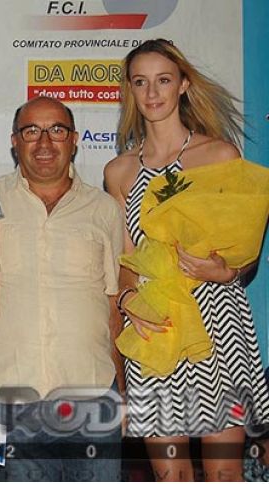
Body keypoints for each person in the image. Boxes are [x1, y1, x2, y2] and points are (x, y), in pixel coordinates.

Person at [104, 38, 269, 481]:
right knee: (170, 475)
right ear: (130, 90)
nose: (152, 92)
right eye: (141, 82)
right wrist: (127, 303)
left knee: (224, 472)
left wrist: (228, 271)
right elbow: (126, 261)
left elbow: (243, 248)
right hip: (157, 326)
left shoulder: (220, 155)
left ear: (183, 85)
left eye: (163, 80)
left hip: (218, 321)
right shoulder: (119, 171)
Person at [0, 96, 124, 481]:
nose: (44, 142)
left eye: (57, 130)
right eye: (32, 131)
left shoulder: (104, 209)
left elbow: (114, 308)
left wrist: (123, 393)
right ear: (14, 141)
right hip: (11, 397)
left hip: (93, 398)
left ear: (74, 139)